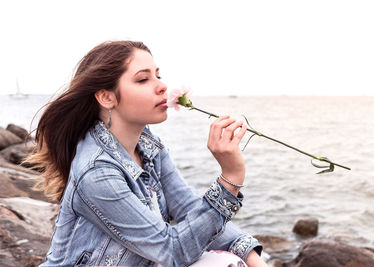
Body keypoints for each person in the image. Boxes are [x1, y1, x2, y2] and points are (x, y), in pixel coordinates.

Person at [28, 40, 267, 266]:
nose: (162, 86)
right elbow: (171, 251)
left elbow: (187, 207)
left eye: (158, 75)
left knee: (228, 261)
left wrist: (249, 253)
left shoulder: (149, 147)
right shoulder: (96, 172)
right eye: (143, 79)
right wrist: (231, 177)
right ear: (106, 97)